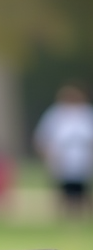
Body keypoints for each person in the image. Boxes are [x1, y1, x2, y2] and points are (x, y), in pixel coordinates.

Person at [33, 83, 93, 217]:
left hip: (83, 158)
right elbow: (44, 136)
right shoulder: (55, 114)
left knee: (82, 189)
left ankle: (83, 216)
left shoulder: (87, 114)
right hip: (61, 158)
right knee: (63, 190)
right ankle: (65, 216)